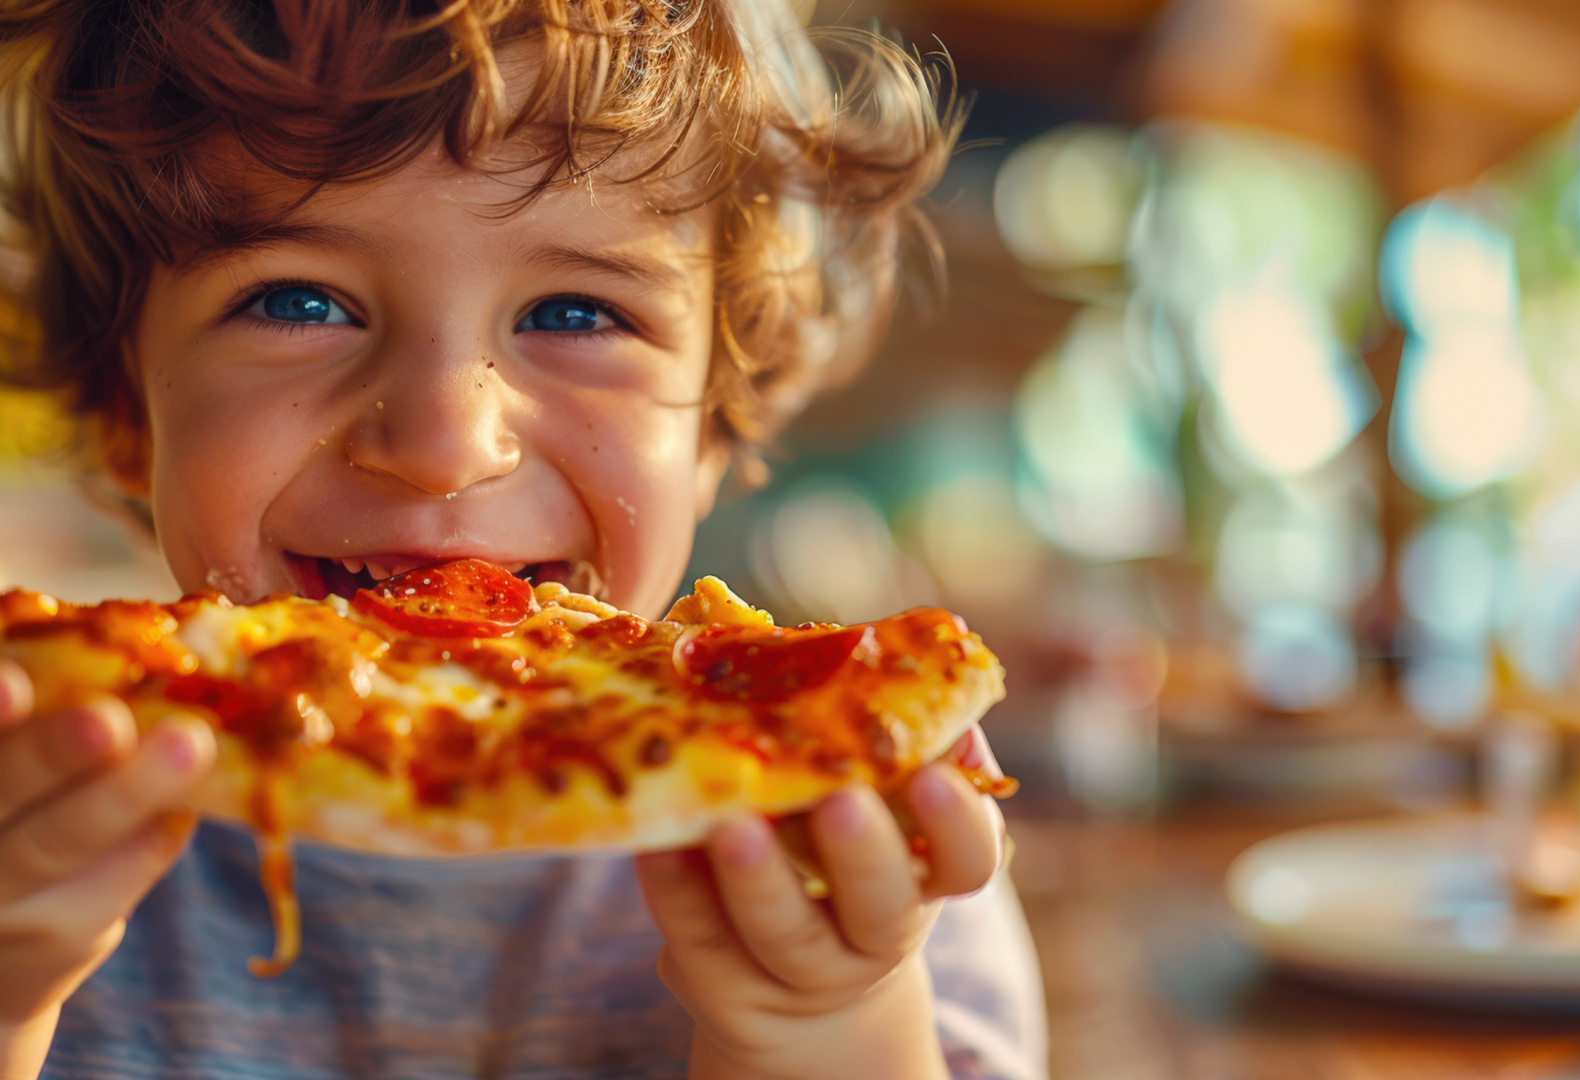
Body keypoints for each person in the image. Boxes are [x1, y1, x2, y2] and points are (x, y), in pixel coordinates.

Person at [0, 1, 1048, 1078]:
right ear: (131, 415)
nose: (447, 443)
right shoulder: (26, 809)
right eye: (299, 302)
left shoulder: (856, 840)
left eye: (575, 315)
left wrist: (831, 1028)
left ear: (715, 426)